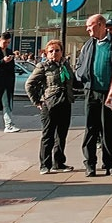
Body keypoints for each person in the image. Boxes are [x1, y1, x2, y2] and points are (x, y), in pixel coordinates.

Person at [75, 13, 112, 177]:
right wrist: (80, 75)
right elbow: (79, 64)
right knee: (91, 129)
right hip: (91, 92)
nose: (87, 28)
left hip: (110, 94)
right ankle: (90, 164)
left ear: (100, 25)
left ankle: (109, 163)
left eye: (90, 25)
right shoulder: (88, 45)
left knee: (108, 129)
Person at [25, 39, 75, 174]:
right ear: (46, 54)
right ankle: (45, 164)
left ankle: (59, 163)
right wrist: (37, 101)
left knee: (62, 135)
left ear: (61, 51)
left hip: (65, 102)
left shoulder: (65, 65)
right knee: (48, 135)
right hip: (50, 104)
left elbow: (72, 81)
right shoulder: (43, 66)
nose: (54, 53)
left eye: (57, 50)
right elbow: (29, 84)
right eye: (51, 51)